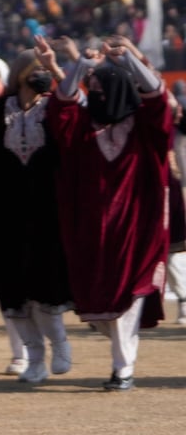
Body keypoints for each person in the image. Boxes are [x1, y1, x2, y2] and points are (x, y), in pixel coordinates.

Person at [37, 34, 171, 391]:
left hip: (136, 228)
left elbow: (158, 97)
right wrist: (81, 64)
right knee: (102, 310)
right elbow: (62, 104)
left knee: (129, 300)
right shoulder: (81, 127)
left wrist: (126, 60)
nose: (92, 92)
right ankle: (121, 361)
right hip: (90, 231)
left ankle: (122, 370)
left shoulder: (146, 129)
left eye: (98, 87)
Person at [0, 49, 73, 385]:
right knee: (14, 291)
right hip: (4, 214)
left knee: (45, 286)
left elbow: (77, 106)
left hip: (47, 214)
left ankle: (60, 344)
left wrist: (57, 66)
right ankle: (34, 358)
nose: (40, 75)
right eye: (35, 69)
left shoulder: (55, 110)